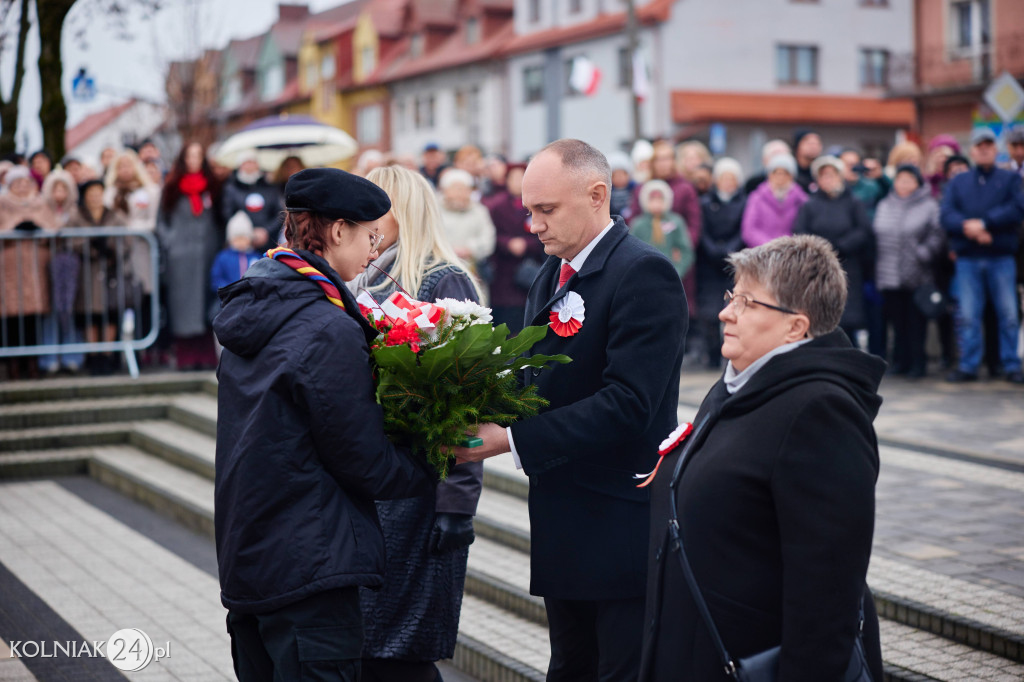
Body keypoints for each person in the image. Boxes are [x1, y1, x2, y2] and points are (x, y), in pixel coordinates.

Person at [454, 139, 687, 682]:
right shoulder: (552, 270)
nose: (533, 225)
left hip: (616, 519)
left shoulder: (643, 273)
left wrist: (510, 439)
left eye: (546, 210)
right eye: (528, 211)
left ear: (597, 194)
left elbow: (629, 403)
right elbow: (541, 376)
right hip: (565, 514)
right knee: (571, 665)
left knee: (618, 669)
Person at [214, 167, 434, 682]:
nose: (374, 252)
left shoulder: (258, 303)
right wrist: (436, 456)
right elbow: (361, 457)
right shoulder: (326, 324)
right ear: (338, 231)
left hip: (253, 557)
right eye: (370, 235)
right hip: (310, 565)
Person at [639, 235, 885, 682]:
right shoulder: (738, 382)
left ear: (796, 327)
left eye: (749, 304)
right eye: (734, 296)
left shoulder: (821, 412)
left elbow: (826, 593)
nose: (725, 312)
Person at [350, 165, 483, 682]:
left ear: (400, 210)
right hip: (378, 482)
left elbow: (465, 400)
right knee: (373, 645)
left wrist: (458, 503)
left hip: (422, 488)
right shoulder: (369, 275)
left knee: (402, 651)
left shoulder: (441, 279)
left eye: (371, 207)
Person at [941, 128, 1024, 384]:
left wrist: (986, 224)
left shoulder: (1010, 179)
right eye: (979, 146)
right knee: (968, 315)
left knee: (1008, 315)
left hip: (1001, 256)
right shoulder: (959, 181)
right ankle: (968, 366)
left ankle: (1011, 365)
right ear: (972, 151)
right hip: (968, 257)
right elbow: (946, 215)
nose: (984, 149)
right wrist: (971, 228)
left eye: (989, 145)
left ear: (996, 149)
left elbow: (1016, 209)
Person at [873, 164, 945, 377]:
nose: (904, 184)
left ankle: (917, 363)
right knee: (897, 321)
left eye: (909, 180)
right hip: (888, 272)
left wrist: (924, 253)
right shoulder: (885, 204)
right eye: (900, 179)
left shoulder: (929, 205)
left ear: (917, 183)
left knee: (916, 322)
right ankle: (900, 362)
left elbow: (937, 234)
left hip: (917, 272)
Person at [794, 155, 874, 345]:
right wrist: (820, 249)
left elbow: (863, 230)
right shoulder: (810, 204)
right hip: (817, 267)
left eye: (832, 175)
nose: (828, 180)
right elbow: (799, 231)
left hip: (848, 265)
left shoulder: (853, 203)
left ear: (840, 177)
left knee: (848, 317)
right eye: (823, 176)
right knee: (819, 315)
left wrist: (842, 246)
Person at [158, 141, 223, 371]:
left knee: (206, 304)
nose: (194, 160)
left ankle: (205, 358)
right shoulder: (172, 187)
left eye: (198, 155)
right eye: (190, 156)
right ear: (183, 159)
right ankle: (185, 357)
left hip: (207, 254)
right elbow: (161, 221)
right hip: (180, 257)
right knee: (183, 306)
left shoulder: (213, 187)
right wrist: (170, 243)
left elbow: (220, 219)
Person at [67, 179, 129, 375]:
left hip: (109, 271)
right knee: (89, 316)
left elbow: (126, 241)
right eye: (91, 193)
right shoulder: (77, 216)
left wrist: (110, 248)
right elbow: (68, 241)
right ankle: (93, 356)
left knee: (110, 314)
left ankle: (107, 355)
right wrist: (90, 245)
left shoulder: (114, 215)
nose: (95, 197)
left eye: (98, 193)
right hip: (86, 272)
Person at [485, 163, 545, 333]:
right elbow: (489, 234)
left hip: (529, 269)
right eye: (514, 178)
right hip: (502, 272)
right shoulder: (496, 206)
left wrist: (526, 244)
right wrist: (507, 243)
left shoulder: (537, 204)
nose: (518, 182)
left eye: (522, 178)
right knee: (503, 324)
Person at [697, 158, 746, 368]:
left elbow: (743, 230)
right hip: (709, 265)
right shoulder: (706, 203)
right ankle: (713, 356)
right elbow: (702, 230)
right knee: (709, 314)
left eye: (731, 178)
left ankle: (732, 355)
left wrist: (729, 251)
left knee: (734, 310)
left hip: (734, 265)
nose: (728, 182)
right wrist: (714, 250)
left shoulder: (744, 203)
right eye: (724, 178)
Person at [631, 179, 694, 280]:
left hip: (670, 276)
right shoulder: (639, 224)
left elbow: (685, 250)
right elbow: (631, 251)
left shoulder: (676, 222)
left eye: (660, 198)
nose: (656, 203)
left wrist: (676, 272)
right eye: (652, 199)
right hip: (644, 277)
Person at [741, 154, 807, 247]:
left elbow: (804, 228)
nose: (780, 177)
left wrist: (788, 246)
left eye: (785, 173)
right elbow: (749, 230)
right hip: (761, 252)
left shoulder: (801, 199)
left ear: (791, 176)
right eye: (776, 172)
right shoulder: (757, 198)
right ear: (769, 175)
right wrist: (769, 246)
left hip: (791, 254)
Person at [221, 151, 282, 251]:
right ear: (240, 165)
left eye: (252, 162)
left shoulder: (269, 188)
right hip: (241, 243)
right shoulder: (231, 188)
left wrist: (266, 230)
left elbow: (279, 213)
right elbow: (227, 213)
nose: (250, 166)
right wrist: (247, 232)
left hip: (268, 242)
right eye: (246, 162)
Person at [437, 168, 496, 271]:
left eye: (464, 189)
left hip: (473, 269)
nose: (460, 193)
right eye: (456, 188)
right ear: (445, 190)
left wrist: (470, 249)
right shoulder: (435, 210)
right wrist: (449, 250)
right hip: (441, 267)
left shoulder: (479, 211)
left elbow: (488, 238)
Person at [606, 152, 636, 221]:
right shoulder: (608, 192)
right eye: (616, 175)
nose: (620, 178)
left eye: (623, 174)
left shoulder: (634, 189)